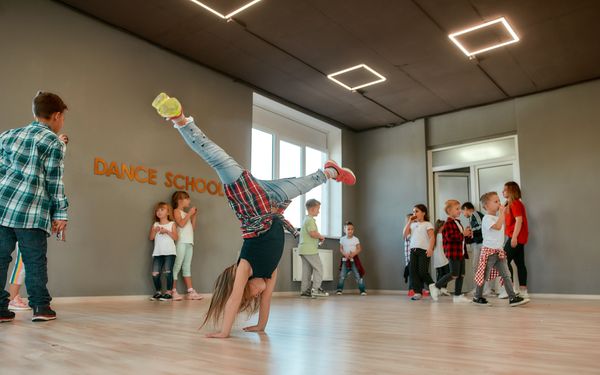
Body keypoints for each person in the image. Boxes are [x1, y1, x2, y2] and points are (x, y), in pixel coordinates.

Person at [152, 93, 355, 338]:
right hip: (271, 205)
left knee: (218, 160)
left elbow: (234, 298)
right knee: (301, 185)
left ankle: (180, 119)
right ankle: (329, 172)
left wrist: (224, 332)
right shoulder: (269, 275)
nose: (258, 294)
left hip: (250, 205)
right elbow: (267, 303)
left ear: (245, 286)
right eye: (256, 297)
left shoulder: (245, 267)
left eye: (251, 294)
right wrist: (260, 326)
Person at [0, 92, 69, 323]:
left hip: (2, 209)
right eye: (63, 118)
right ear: (57, 116)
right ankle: (40, 307)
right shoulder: (52, 141)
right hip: (31, 213)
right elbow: (54, 182)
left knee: (0, 259)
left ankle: (1, 309)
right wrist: (60, 214)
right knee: (34, 260)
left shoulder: (8, 135)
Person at [472, 192, 529, 307]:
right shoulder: (487, 218)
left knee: (506, 274)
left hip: (499, 251)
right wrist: (502, 213)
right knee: (484, 275)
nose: (499, 203)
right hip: (489, 252)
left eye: (499, 200)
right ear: (486, 206)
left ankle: (512, 297)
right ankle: (477, 296)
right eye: (495, 201)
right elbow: (497, 227)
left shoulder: (497, 217)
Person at [429, 200, 472, 303]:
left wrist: (468, 235)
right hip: (453, 253)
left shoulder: (458, 223)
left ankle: (457, 296)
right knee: (454, 273)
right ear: (449, 210)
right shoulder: (448, 223)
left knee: (461, 274)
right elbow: (450, 237)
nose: (460, 211)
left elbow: (461, 239)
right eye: (457, 209)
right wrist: (463, 234)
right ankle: (435, 286)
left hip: (460, 252)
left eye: (459, 209)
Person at [500, 181, 530, 299]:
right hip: (515, 236)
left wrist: (514, 237)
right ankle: (523, 291)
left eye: (505, 190)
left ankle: (510, 289)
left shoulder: (516, 203)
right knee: (520, 263)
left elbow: (519, 220)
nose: (503, 191)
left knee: (503, 261)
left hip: (516, 237)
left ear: (511, 191)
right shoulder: (509, 204)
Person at [171, 191, 203, 301]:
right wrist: (189, 213)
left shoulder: (186, 214)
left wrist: (194, 216)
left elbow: (192, 228)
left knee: (187, 267)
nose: (189, 201)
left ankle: (190, 291)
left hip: (189, 242)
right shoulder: (176, 211)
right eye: (187, 198)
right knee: (177, 266)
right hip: (181, 242)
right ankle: (173, 291)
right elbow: (181, 224)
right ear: (180, 200)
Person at [403, 204, 435, 301]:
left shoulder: (427, 224)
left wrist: (430, 248)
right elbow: (404, 235)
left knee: (422, 272)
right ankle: (417, 292)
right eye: (413, 211)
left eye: (416, 211)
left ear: (423, 213)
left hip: (424, 251)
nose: (414, 213)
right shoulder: (412, 225)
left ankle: (434, 286)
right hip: (413, 251)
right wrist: (409, 222)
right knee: (413, 272)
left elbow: (432, 237)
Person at [299, 199, 329, 298]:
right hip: (310, 249)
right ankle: (316, 289)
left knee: (306, 270)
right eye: (318, 209)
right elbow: (312, 233)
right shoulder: (310, 220)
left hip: (303, 249)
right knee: (319, 268)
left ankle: (305, 291)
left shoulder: (305, 219)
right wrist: (321, 236)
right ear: (312, 209)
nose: (319, 211)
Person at [149, 202, 178, 301]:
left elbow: (175, 237)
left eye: (162, 210)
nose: (159, 212)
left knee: (168, 272)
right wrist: (154, 230)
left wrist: (167, 231)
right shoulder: (155, 224)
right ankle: (158, 292)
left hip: (170, 253)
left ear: (168, 212)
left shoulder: (171, 224)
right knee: (155, 273)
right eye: (157, 210)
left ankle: (168, 292)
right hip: (158, 253)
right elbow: (151, 238)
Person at [335, 222, 366, 296]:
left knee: (357, 275)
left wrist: (353, 254)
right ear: (344, 230)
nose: (350, 231)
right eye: (348, 229)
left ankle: (362, 290)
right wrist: (345, 254)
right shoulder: (342, 239)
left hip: (354, 259)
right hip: (345, 259)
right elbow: (341, 249)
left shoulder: (356, 239)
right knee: (342, 275)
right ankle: (339, 289)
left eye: (352, 229)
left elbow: (359, 248)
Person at [432, 220, 450, 297]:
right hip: (440, 258)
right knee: (443, 274)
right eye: (444, 226)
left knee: (444, 274)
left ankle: (442, 289)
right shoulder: (436, 236)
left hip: (443, 258)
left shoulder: (439, 235)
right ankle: (439, 289)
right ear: (440, 227)